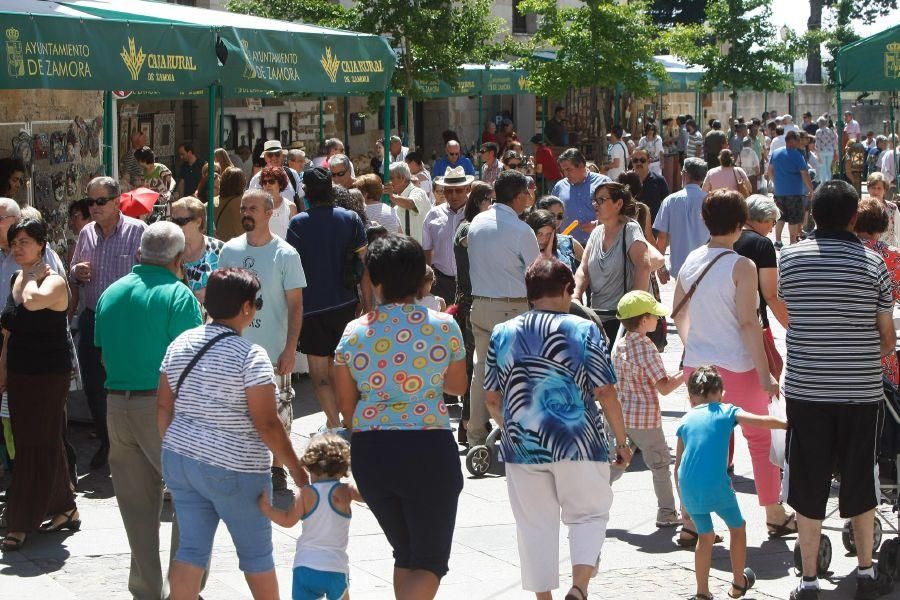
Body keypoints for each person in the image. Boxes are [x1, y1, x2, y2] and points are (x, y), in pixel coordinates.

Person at [484, 256, 628, 600]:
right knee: (589, 515)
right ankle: (579, 587)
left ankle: (544, 598)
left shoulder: (502, 333)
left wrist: (514, 428)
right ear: (567, 290)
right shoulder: (583, 329)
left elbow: (491, 398)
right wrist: (622, 441)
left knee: (534, 527)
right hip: (579, 441)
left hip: (522, 448)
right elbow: (605, 391)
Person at [779, 181, 896, 600]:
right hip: (860, 392)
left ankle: (809, 581)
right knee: (861, 482)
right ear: (853, 217)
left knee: (807, 485)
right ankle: (865, 573)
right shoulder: (873, 265)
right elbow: (886, 338)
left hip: (807, 390)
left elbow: (790, 315)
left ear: (812, 212)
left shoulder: (789, 259)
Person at [159, 267, 306, 599]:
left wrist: (175, 448)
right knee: (256, 556)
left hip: (181, 462)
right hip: (236, 470)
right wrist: (297, 471)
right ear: (245, 308)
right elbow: (267, 423)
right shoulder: (250, 356)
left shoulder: (181, 344)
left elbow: (163, 406)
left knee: (191, 550)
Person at [335, 234, 467, 600]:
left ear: (375, 281)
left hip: (371, 450)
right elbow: (457, 387)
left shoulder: (354, 332)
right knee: (429, 562)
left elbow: (347, 406)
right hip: (428, 448)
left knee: (405, 553)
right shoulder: (443, 326)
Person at [673, 189, 793, 547]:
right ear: (741, 223)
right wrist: (765, 373)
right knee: (759, 440)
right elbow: (748, 323)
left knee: (702, 443)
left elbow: (679, 314)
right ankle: (773, 513)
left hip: (699, 366)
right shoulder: (742, 265)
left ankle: (691, 520)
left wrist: (693, 348)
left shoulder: (691, 260)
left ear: (705, 220)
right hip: (738, 366)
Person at [94, 221, 203, 598]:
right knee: (193, 497)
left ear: (140, 254)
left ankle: (146, 590)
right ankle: (184, 588)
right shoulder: (179, 295)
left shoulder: (111, 292)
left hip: (116, 405)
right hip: (160, 408)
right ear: (178, 258)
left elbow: (104, 356)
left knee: (137, 508)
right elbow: (191, 364)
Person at [219, 189, 305, 491]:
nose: (246, 213)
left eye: (252, 208)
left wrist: (290, 348)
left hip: (274, 350)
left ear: (269, 213)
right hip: (235, 351)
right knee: (236, 412)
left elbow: (296, 305)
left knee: (279, 413)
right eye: (243, 208)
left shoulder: (286, 254)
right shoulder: (228, 251)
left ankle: (277, 467)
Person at [676, 366, 786, 600]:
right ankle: (738, 582)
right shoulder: (726, 411)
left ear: (691, 396)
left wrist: (682, 502)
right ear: (721, 393)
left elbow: (678, 464)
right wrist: (787, 424)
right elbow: (761, 421)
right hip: (716, 485)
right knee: (737, 527)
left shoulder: (685, 420)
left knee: (705, 537)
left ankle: (702, 593)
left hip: (689, 487)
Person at [0, 219, 77, 552]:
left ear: (43, 245)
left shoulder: (53, 281)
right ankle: (65, 507)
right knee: (39, 441)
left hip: (48, 375)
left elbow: (31, 302)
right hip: (19, 372)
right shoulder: (18, 276)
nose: (17, 248)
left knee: (35, 444)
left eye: (25, 242)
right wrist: (3, 370)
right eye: (14, 242)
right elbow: (8, 331)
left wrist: (31, 277)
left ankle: (21, 520)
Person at [69, 177, 147, 469]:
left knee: (126, 384)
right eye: (90, 202)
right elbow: (73, 273)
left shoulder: (138, 231)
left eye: (100, 201)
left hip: (125, 321)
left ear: (116, 201)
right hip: (92, 318)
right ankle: (107, 441)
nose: (94, 207)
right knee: (94, 385)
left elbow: (150, 273)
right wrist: (77, 271)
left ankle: (131, 445)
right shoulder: (87, 233)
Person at [286, 168, 367, 431]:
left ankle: (334, 426)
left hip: (311, 309)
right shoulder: (351, 219)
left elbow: (291, 271)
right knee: (345, 371)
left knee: (320, 375)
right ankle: (351, 423)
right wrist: (369, 304)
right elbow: (364, 264)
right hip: (346, 305)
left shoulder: (298, 225)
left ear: (307, 193)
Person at [466, 171, 540, 448]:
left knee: (482, 369)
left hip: (481, 304)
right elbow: (536, 272)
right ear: (520, 196)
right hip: (511, 309)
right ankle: (516, 432)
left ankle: (475, 433)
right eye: (528, 193)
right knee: (516, 372)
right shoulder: (521, 230)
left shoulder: (476, 222)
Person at [608, 290, 684, 528]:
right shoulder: (646, 347)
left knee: (617, 462)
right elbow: (664, 387)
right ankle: (667, 512)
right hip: (645, 420)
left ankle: (588, 502)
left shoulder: (620, 345)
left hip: (621, 416)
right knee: (660, 465)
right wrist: (687, 373)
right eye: (654, 316)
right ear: (643, 320)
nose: (658, 320)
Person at [258, 433, 360, 600]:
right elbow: (367, 495)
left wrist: (266, 508)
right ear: (342, 467)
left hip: (304, 566)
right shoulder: (345, 491)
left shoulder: (305, 494)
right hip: (335, 567)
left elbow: (287, 520)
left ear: (309, 466)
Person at [573, 182, 652, 343]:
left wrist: (633, 310)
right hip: (597, 318)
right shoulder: (596, 233)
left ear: (618, 204)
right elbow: (583, 269)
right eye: (594, 200)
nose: (596, 204)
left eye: (601, 200)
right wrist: (576, 296)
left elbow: (644, 267)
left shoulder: (630, 229)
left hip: (624, 321)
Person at [452, 181, 494, 443]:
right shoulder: (468, 227)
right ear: (481, 201)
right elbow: (466, 242)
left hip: (476, 301)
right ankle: (468, 424)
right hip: (470, 304)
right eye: (491, 200)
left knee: (478, 365)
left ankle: (473, 422)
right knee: (473, 366)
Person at [854, 197, 900, 385]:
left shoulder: (841, 250)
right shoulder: (893, 256)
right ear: (882, 225)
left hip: (838, 345)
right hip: (879, 344)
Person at [734, 195, 789, 334]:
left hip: (723, 320)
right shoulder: (762, 244)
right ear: (764, 218)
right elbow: (770, 294)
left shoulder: (724, 237)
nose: (771, 229)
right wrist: (790, 326)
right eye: (773, 222)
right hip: (753, 322)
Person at [423, 166, 471, 306]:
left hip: (471, 282)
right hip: (441, 282)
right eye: (449, 191)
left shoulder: (476, 214)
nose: (454, 195)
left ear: (467, 189)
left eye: (459, 190)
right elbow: (427, 250)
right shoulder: (433, 214)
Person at [169, 196, 224, 303]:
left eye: (181, 221)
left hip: (212, 316)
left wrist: (212, 293)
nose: (176, 226)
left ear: (198, 222)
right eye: (173, 221)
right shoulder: (168, 252)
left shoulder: (220, 250)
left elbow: (232, 287)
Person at [552, 148, 611, 246]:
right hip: (569, 248)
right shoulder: (559, 187)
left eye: (568, 169)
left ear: (581, 165)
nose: (565, 174)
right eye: (563, 170)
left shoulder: (603, 183)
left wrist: (598, 225)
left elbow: (616, 213)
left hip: (598, 245)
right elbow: (551, 215)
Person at [769, 131, 814, 248]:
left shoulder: (775, 153)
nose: (800, 142)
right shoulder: (797, 155)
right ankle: (792, 243)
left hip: (779, 192)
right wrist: (811, 190)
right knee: (794, 219)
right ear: (791, 141)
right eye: (798, 140)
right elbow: (805, 174)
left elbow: (770, 171)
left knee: (780, 217)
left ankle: (778, 241)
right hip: (794, 193)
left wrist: (776, 183)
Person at [249, 141, 304, 213]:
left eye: (277, 154)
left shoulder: (292, 174)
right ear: (265, 158)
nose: (274, 157)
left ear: (282, 156)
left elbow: (301, 200)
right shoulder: (256, 179)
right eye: (270, 155)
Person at [387, 161, 432, 242]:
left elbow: (411, 204)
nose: (389, 182)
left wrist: (392, 196)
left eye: (391, 178)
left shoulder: (418, 192)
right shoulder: (398, 201)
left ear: (402, 178)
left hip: (420, 250)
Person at [256, 166, 299, 239]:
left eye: (271, 181)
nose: (267, 185)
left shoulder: (290, 207)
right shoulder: (256, 207)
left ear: (280, 184)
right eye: (264, 182)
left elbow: (295, 235)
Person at [630, 147, 670, 221]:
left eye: (642, 160)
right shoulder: (626, 182)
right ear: (631, 162)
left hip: (654, 226)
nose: (639, 163)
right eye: (635, 160)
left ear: (649, 161)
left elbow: (668, 205)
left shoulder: (659, 180)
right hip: (632, 226)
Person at [865, 171, 900, 246]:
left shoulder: (893, 208)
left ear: (885, 190)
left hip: (889, 251)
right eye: (873, 188)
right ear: (868, 189)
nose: (876, 191)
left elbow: (898, 231)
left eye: (879, 188)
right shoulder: (863, 208)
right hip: (869, 251)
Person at [214, 166, 247, 242]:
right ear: (242, 183)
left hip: (217, 247)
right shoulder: (242, 203)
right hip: (237, 248)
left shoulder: (210, 203)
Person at [814, 117, 837, 184]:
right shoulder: (830, 130)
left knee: (823, 168)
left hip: (822, 151)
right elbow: (834, 142)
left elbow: (817, 144)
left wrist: (817, 153)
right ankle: (829, 182)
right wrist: (835, 151)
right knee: (828, 168)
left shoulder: (818, 131)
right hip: (830, 151)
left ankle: (823, 183)